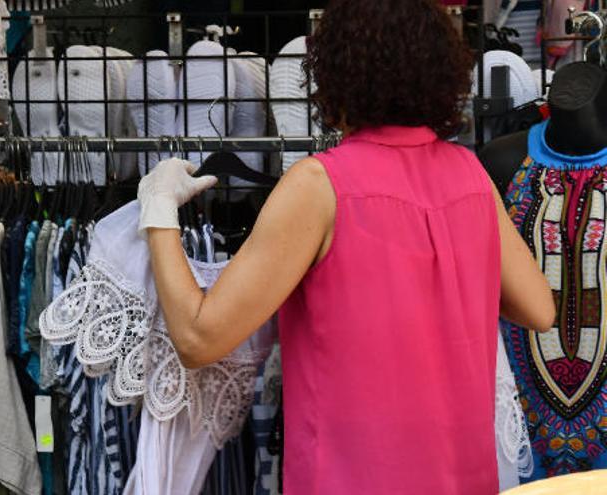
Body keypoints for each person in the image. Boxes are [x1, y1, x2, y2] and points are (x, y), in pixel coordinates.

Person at [135, 1, 556, 494]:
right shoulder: (469, 176)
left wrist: (158, 211)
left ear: (335, 74)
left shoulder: (319, 187)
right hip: (461, 479)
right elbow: (539, 309)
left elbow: (199, 339)